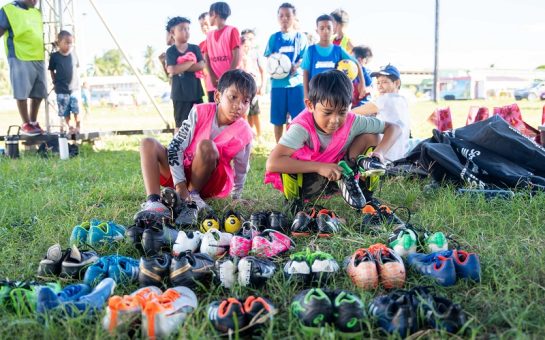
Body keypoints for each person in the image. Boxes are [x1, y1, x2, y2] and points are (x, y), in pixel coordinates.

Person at [265, 70, 400, 210]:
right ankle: (294, 203)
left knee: (372, 136)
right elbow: (273, 163)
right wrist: (319, 167)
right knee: (287, 156)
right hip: (308, 180)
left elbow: (394, 128)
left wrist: (379, 154)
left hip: (338, 173)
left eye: (342, 112)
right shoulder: (301, 127)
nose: (335, 120)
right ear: (310, 105)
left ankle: (364, 195)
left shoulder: (352, 120)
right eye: (327, 112)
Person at [135, 69, 256, 223]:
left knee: (207, 146)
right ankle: (154, 203)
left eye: (245, 101)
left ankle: (192, 200)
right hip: (182, 173)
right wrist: (180, 185)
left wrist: (236, 197)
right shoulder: (200, 112)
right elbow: (175, 146)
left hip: (208, 181)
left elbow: (241, 167)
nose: (239, 105)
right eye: (233, 97)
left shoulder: (244, 131)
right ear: (218, 96)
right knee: (148, 143)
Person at [0, 0, 46, 135]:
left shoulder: (36, 12)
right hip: (19, 56)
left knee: (39, 94)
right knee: (21, 93)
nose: (35, 0)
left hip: (38, 56)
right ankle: (25, 123)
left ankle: (33, 122)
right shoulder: (8, 10)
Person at [264, 3, 307, 142]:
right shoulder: (273, 38)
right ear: (278, 18)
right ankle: (278, 147)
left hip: (296, 85)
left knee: (298, 119)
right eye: (281, 15)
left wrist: (296, 66)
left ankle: (297, 146)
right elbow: (268, 58)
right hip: (278, 85)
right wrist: (274, 65)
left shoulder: (300, 38)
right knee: (278, 120)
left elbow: (304, 58)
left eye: (288, 15)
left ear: (294, 17)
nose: (284, 18)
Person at [353, 64, 410, 162]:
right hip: (401, 156)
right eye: (378, 82)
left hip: (386, 157)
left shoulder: (386, 99)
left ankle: (351, 162)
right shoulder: (402, 100)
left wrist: (342, 112)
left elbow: (353, 113)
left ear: (397, 83)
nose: (380, 86)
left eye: (384, 82)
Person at [301, 14, 365, 101]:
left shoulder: (338, 50)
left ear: (333, 30)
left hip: (335, 95)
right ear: (317, 30)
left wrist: (362, 83)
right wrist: (306, 95)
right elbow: (306, 73)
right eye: (322, 28)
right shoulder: (310, 51)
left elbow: (356, 63)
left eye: (328, 28)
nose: (325, 31)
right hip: (316, 95)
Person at [165, 17, 205, 130]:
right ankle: (177, 147)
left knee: (200, 123)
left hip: (196, 92)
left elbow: (201, 65)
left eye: (188, 29)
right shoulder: (171, 51)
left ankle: (197, 146)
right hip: (179, 95)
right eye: (182, 29)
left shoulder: (195, 48)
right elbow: (171, 70)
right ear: (173, 32)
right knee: (180, 125)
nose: (186, 32)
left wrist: (181, 67)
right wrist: (191, 62)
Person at [203, 2, 241, 97]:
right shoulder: (209, 35)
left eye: (209, 15)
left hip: (230, 82)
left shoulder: (232, 30)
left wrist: (227, 76)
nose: (209, 19)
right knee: (214, 110)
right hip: (214, 83)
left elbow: (236, 56)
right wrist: (211, 75)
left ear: (214, 14)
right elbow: (206, 57)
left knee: (229, 110)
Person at [48, 30, 80, 133]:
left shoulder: (74, 54)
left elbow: (76, 68)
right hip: (61, 89)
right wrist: (54, 81)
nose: (69, 45)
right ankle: (70, 127)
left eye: (71, 43)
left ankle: (78, 126)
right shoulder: (54, 56)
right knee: (65, 110)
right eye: (66, 42)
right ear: (59, 43)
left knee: (76, 108)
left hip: (74, 88)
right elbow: (51, 70)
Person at [240, 33, 265, 140]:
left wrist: (262, 86)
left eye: (248, 46)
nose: (247, 48)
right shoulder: (239, 57)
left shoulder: (253, 55)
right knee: (246, 113)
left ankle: (259, 135)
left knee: (255, 112)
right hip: (242, 89)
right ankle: (249, 133)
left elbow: (262, 71)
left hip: (253, 88)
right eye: (245, 46)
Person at [197, 12, 215, 103]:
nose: (204, 27)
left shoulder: (222, 41)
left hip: (224, 85)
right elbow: (203, 71)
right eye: (201, 25)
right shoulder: (200, 46)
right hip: (210, 87)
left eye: (206, 24)